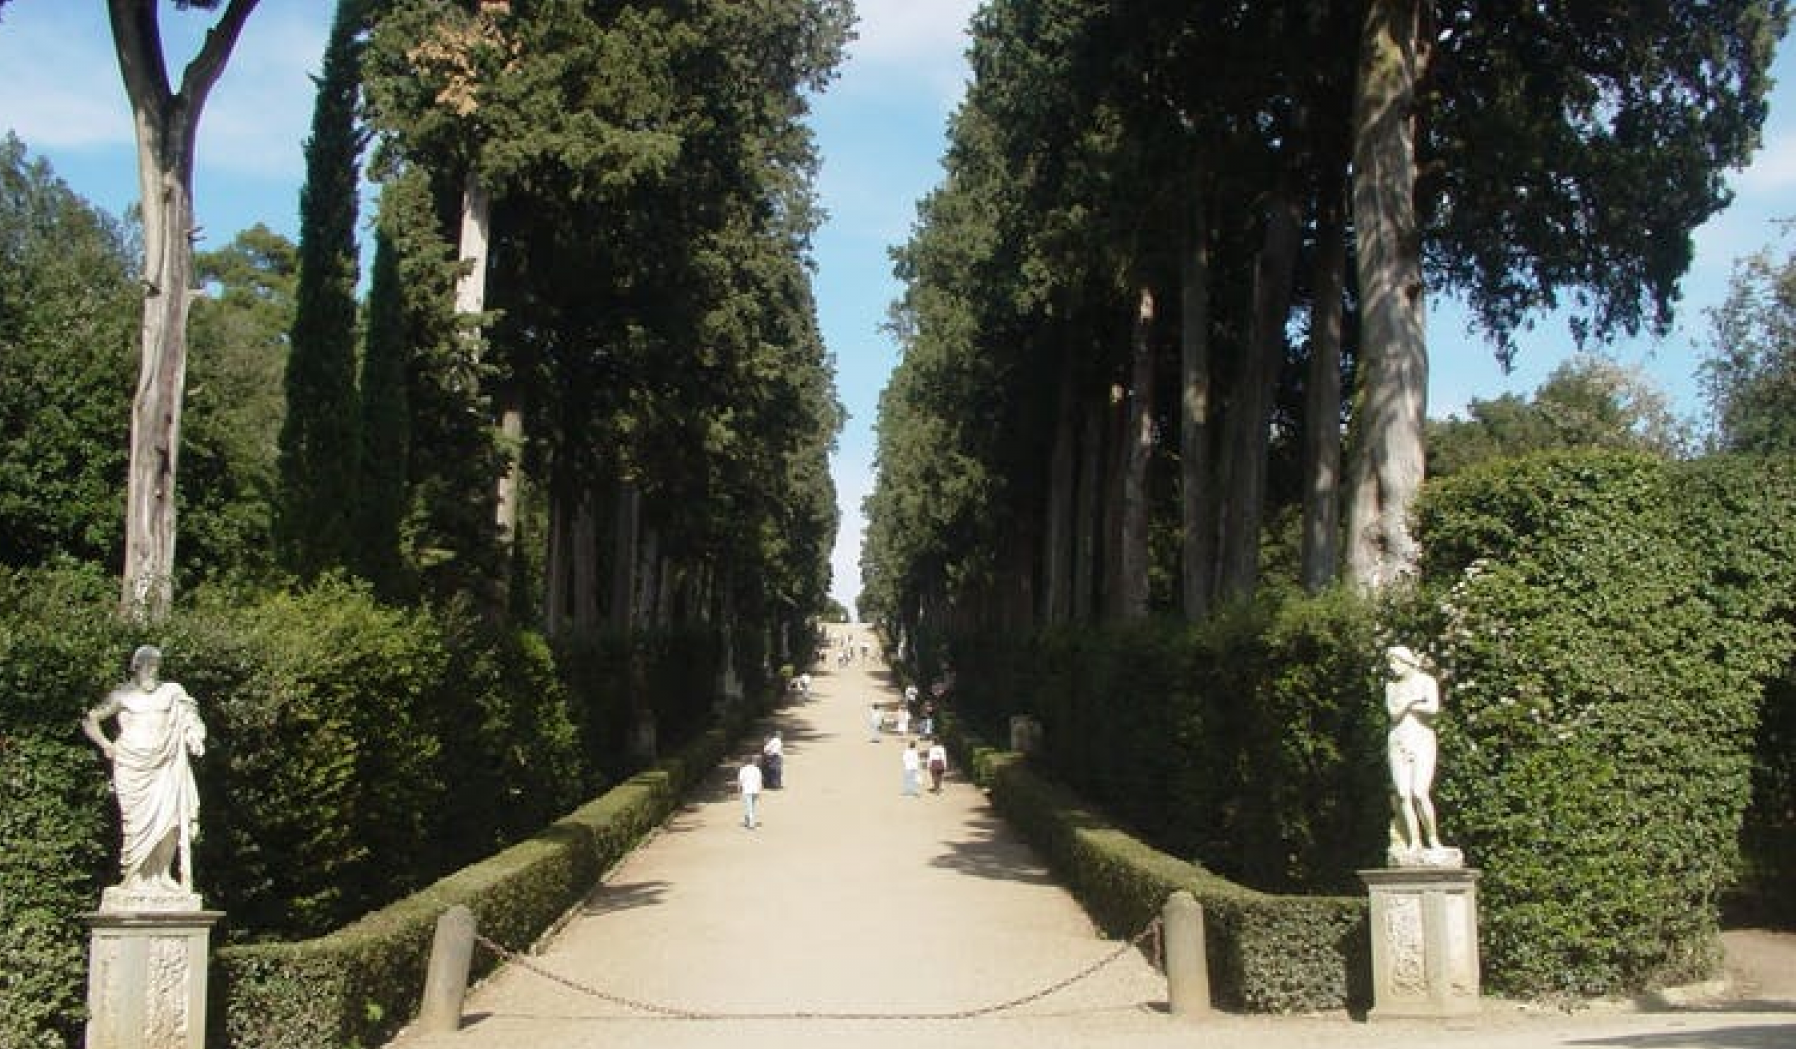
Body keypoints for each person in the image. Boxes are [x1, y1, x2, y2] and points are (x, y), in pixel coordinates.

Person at [81, 645, 206, 894]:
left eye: (155, 665)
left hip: (165, 764)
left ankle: (163, 875)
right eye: (145, 665)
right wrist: (106, 744)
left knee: (170, 821)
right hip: (131, 765)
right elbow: (90, 719)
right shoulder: (122, 695)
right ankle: (135, 877)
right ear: (135, 668)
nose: (151, 670)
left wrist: (194, 735)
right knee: (135, 825)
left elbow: (190, 716)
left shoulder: (172, 691)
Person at [1385, 645, 1444, 858]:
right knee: (1403, 794)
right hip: (1398, 740)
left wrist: (1408, 705)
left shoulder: (1427, 681)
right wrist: (1412, 701)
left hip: (1421, 739)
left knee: (1419, 792)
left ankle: (1433, 839)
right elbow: (1393, 713)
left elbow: (1433, 708)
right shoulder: (1392, 687)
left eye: (1395, 662)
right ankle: (1414, 841)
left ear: (1406, 661)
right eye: (1390, 663)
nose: (1392, 667)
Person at [737, 755, 764, 829]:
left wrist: (738, 790)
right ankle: (748, 821)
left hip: (747, 790)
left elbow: (740, 781)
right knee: (752, 807)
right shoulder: (757, 769)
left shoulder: (743, 769)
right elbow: (760, 780)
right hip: (755, 790)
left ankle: (751, 823)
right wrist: (760, 789)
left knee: (748, 807)